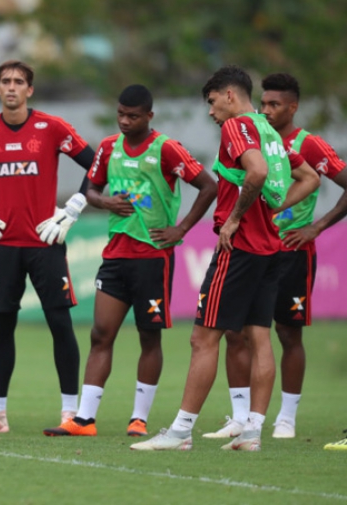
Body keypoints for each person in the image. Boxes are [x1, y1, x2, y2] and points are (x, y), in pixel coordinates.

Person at [130, 65, 319, 452]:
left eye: (213, 103)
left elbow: (257, 172)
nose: (212, 113)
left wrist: (234, 219)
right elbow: (310, 178)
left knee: (203, 338)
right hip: (270, 249)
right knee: (260, 338)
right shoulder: (270, 130)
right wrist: (273, 208)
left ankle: (181, 432)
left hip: (241, 249)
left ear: (230, 96)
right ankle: (252, 432)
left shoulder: (237, 128)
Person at [43, 85, 217, 438]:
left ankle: (138, 418)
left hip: (152, 257)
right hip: (116, 256)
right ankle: (84, 420)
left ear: (149, 116)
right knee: (100, 334)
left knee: (148, 338)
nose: (124, 121)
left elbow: (208, 185)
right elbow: (90, 189)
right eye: (120, 114)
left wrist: (180, 227)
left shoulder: (166, 149)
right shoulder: (108, 147)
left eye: (133, 116)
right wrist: (105, 202)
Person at [204, 73, 347, 441]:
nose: (268, 110)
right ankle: (241, 417)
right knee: (235, 332)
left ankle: (285, 417)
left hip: (292, 252)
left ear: (293, 107)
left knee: (287, 333)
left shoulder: (308, 144)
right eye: (265, 103)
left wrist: (315, 227)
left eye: (276, 105)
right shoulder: (251, 134)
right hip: (254, 247)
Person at [0, 60, 96, 435]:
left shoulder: (51, 128)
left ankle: (71, 413)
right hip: (2, 244)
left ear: (30, 90)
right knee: (1, 325)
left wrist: (72, 209)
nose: (13, 87)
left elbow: (99, 162)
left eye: (20, 82)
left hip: (45, 242)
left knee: (59, 323)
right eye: (6, 81)